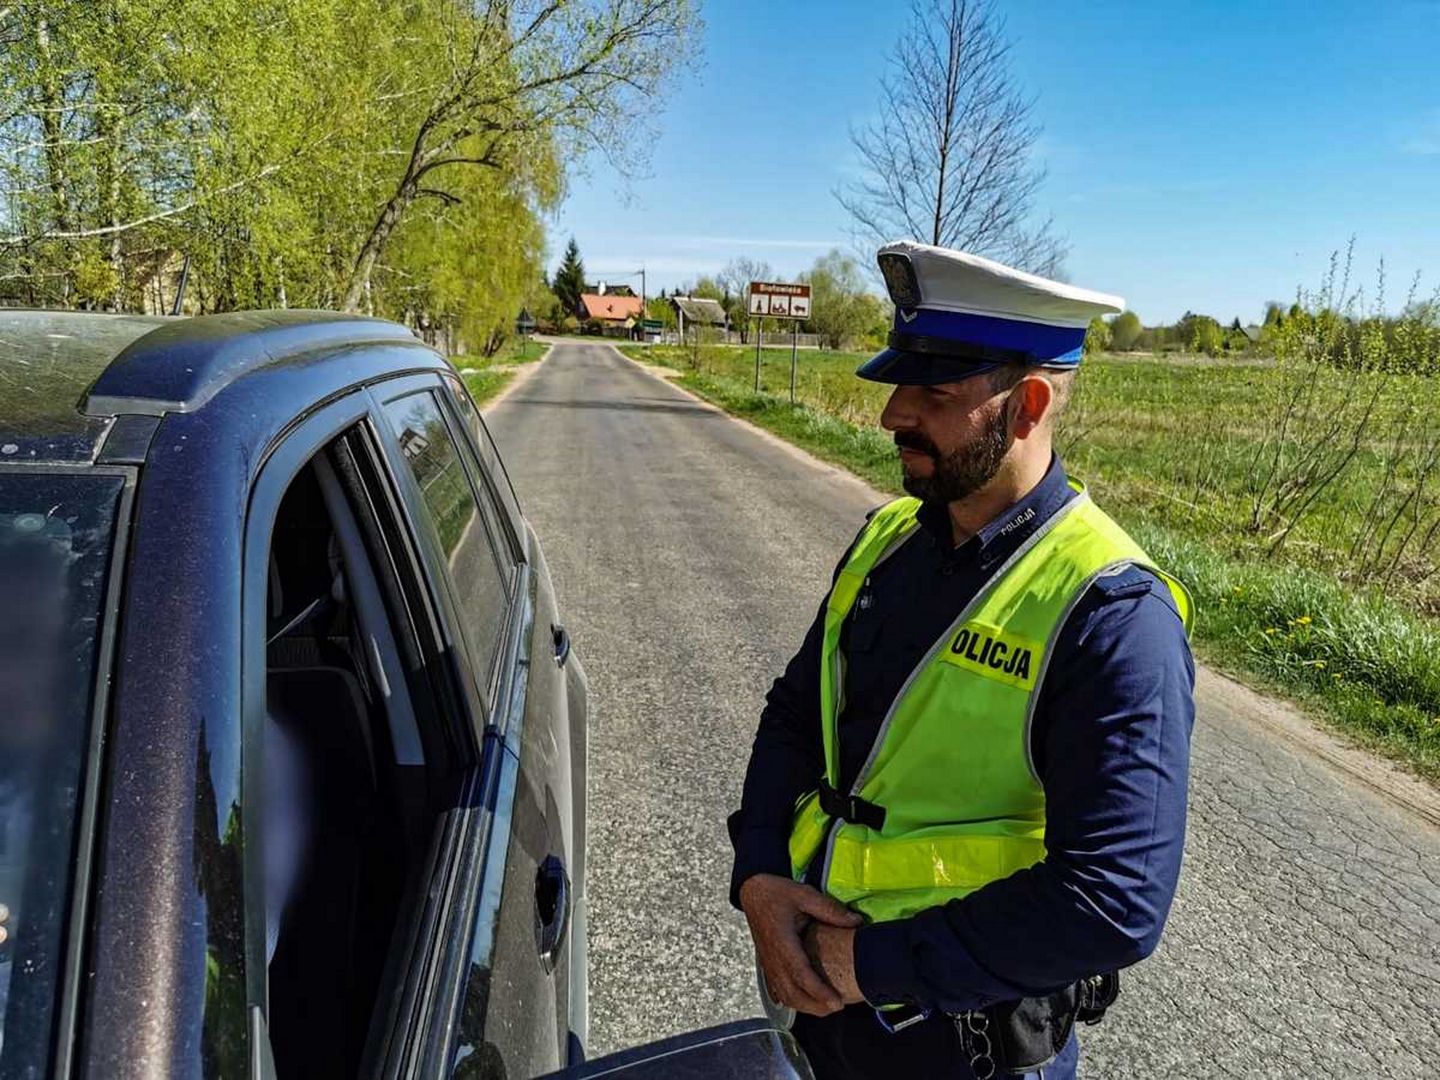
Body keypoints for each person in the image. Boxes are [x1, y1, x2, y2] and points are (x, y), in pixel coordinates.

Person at [728, 241, 1195, 1080]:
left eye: (934, 394)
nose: (892, 414)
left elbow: (1114, 900)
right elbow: (798, 713)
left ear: (1030, 404)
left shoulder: (1112, 613)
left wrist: (866, 968)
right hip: (820, 1021)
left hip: (966, 1051)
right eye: (900, 385)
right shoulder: (887, 542)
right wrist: (759, 873)